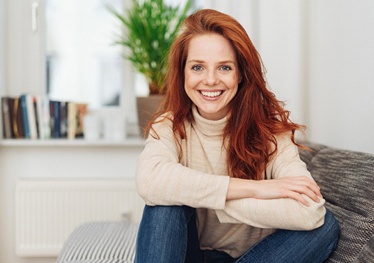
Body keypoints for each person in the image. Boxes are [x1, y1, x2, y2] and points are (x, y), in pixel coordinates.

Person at [134, 9, 340, 263]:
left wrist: (212, 200)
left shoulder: (270, 132)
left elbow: (310, 213)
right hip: (189, 255)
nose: (210, 80)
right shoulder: (169, 125)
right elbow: (150, 181)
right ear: (183, 72)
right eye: (197, 67)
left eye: (224, 67)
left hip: (253, 258)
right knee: (165, 204)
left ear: (240, 74)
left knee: (325, 228)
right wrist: (257, 189)